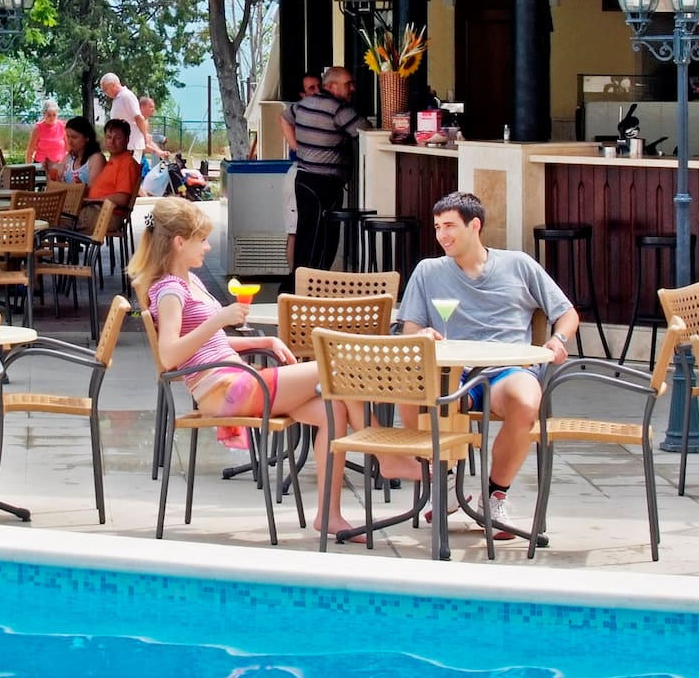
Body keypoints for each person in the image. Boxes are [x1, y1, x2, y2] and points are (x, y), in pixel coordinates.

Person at [131, 196, 358, 539]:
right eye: (202, 239)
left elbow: (208, 347)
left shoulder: (191, 282)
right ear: (179, 242)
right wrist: (220, 319)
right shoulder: (170, 290)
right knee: (335, 365)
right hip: (224, 391)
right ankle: (383, 454)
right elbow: (169, 356)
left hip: (234, 382)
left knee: (334, 411)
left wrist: (261, 342)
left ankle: (328, 514)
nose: (207, 247)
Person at [393, 190, 577, 539]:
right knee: (413, 389)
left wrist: (559, 339)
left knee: (526, 401)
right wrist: (424, 334)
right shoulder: (428, 271)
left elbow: (566, 313)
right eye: (437, 227)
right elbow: (411, 329)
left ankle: (494, 495)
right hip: (454, 371)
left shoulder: (518, 264)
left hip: (507, 369)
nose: (442, 235)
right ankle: (443, 481)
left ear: (474, 225)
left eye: (450, 226)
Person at [279, 66, 367, 270]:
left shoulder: (304, 104)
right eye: (348, 84)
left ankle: (299, 284)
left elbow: (283, 118)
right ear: (332, 86)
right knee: (323, 238)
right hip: (325, 184)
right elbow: (365, 132)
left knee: (306, 234)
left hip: (303, 180)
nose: (352, 88)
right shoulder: (339, 109)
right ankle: (313, 285)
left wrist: (296, 147)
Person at [85, 118, 142, 209]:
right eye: (109, 137)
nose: (112, 141)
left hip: (106, 214)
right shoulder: (112, 161)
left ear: (127, 140)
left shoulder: (127, 163)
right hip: (93, 209)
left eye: (118, 138)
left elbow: (122, 198)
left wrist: (92, 201)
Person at [100, 73, 156, 162]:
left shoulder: (126, 96)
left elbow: (138, 118)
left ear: (113, 85)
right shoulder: (118, 99)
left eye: (105, 89)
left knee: (129, 173)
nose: (105, 93)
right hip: (122, 145)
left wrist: (145, 137)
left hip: (131, 145)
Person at [27, 98, 68, 177]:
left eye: (54, 115)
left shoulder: (63, 127)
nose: (51, 117)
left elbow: (69, 149)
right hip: (41, 166)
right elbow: (30, 150)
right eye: (49, 115)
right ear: (44, 114)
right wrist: (29, 169)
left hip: (59, 166)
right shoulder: (37, 128)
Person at [60, 115, 106, 185]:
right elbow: (57, 182)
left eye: (74, 137)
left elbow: (94, 189)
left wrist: (80, 187)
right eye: (68, 136)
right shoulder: (69, 157)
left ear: (87, 137)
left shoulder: (96, 158)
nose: (70, 141)